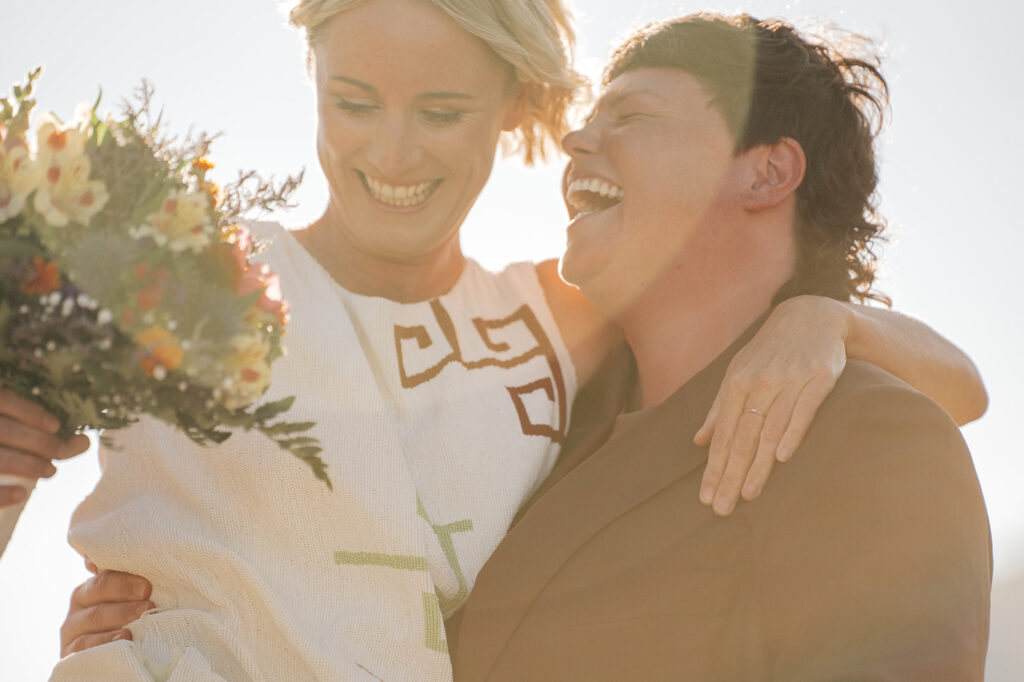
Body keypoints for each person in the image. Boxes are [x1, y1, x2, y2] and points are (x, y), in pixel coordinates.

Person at [32, 1, 985, 680]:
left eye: (443, 111)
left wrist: (828, 317)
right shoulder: (562, 390)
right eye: (355, 102)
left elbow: (959, 393)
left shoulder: (843, 427)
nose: (395, 151)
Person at [449, 13, 992, 681]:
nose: (574, 139)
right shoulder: (537, 406)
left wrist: (834, 321)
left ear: (766, 174)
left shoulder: (870, 439)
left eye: (631, 116)